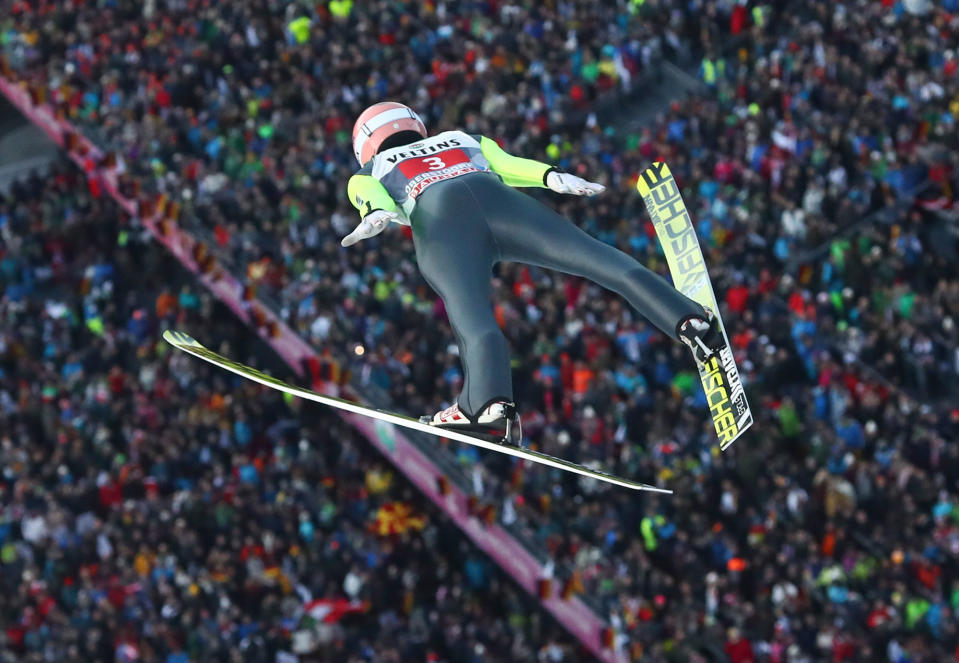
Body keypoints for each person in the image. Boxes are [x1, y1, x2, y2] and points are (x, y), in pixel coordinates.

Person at [343, 102, 723, 443]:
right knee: (598, 259)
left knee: (470, 314)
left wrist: (374, 213)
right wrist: (553, 176)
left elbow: (369, 195)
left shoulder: (370, 168)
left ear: (366, 142)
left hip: (443, 223)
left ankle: (488, 407)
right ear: (415, 123)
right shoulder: (461, 138)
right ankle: (688, 320)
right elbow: (509, 164)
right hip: (503, 203)